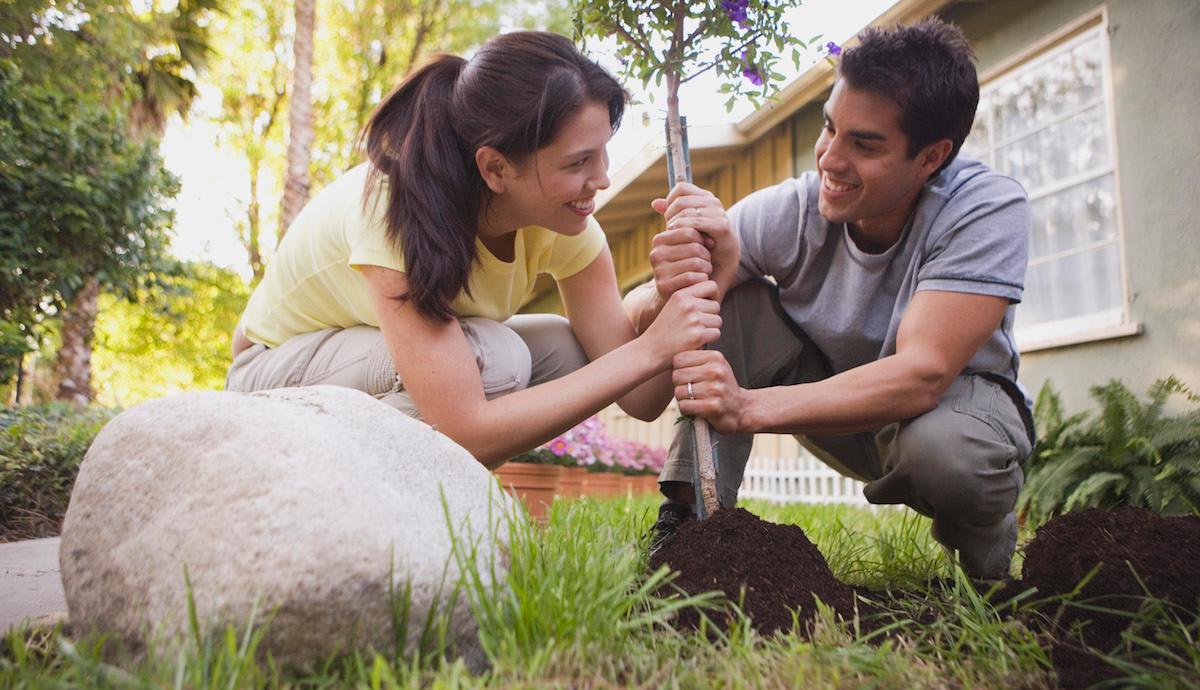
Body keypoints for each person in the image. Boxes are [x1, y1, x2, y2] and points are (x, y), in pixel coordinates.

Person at [627, 18, 1035, 581]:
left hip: (944, 416)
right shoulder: (790, 212)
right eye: (829, 128)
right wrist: (674, 283)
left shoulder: (984, 209)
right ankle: (689, 532)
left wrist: (745, 407)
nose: (829, 159)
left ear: (931, 157)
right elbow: (649, 316)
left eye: (863, 145)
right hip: (835, 410)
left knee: (946, 452)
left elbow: (922, 374)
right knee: (729, 299)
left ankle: (990, 580)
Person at [226, 31, 721, 468]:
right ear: (496, 169)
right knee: (497, 358)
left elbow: (640, 396)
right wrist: (651, 348)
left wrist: (671, 296)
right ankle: (333, 486)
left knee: (568, 349)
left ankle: (431, 490)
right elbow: (465, 427)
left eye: (602, 154)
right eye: (578, 162)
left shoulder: (568, 226)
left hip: (358, 360)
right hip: (270, 373)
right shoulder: (398, 206)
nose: (602, 179)